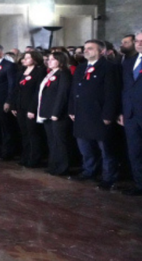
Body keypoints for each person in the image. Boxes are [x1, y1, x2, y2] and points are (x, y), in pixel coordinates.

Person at [68, 39, 121, 190]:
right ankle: (88, 171)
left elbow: (112, 93)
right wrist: (72, 109)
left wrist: (108, 115)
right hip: (81, 114)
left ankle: (108, 177)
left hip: (99, 114)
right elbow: (74, 91)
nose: (86, 51)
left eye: (90, 48)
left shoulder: (109, 67)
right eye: (85, 48)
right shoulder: (81, 67)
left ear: (102, 51)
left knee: (106, 149)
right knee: (85, 147)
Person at [37, 52, 73, 176]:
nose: (49, 61)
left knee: (60, 141)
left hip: (58, 113)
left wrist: (56, 112)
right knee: (52, 141)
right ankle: (53, 165)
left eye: (53, 59)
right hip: (47, 111)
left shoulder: (63, 74)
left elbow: (62, 95)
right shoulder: (51, 73)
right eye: (49, 59)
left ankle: (63, 167)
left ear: (60, 61)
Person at [11, 51, 46, 167]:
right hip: (20, 106)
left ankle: (34, 158)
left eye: (27, 58)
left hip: (31, 107)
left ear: (35, 59)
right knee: (24, 133)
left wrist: (32, 109)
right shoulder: (21, 72)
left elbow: (38, 92)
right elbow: (16, 90)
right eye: (24, 58)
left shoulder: (39, 72)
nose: (24, 60)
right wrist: (14, 106)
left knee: (33, 134)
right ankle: (25, 156)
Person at [120, 30, 142, 196]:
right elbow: (125, 89)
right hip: (131, 115)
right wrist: (122, 111)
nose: (139, 44)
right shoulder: (129, 62)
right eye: (137, 41)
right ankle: (139, 184)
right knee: (134, 151)